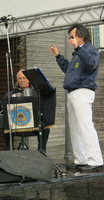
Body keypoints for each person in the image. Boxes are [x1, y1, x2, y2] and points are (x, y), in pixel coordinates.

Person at [49, 23, 103, 171]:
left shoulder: (90, 50)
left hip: (83, 92)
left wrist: (78, 49)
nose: (70, 39)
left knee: (85, 126)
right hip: (73, 92)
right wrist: (58, 56)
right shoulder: (78, 54)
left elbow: (91, 64)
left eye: (72, 36)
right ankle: (81, 159)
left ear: (81, 36)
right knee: (74, 127)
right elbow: (68, 70)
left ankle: (96, 159)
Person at [0, 69, 52, 152]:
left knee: (45, 126)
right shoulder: (9, 94)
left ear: (28, 79)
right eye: (20, 78)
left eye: (24, 78)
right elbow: (1, 108)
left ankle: (42, 151)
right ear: (17, 80)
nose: (22, 80)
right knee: (5, 125)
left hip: (32, 124)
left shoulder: (36, 92)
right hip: (17, 123)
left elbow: (43, 107)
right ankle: (9, 151)